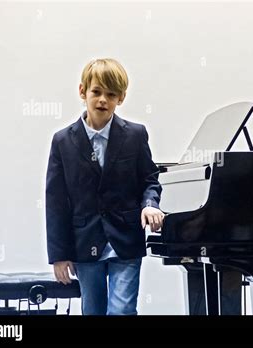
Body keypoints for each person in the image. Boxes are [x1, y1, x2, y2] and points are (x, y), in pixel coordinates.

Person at [46, 58, 164, 315]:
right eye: (96, 92)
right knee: (93, 312)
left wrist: (149, 205)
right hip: (84, 240)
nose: (102, 100)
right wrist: (59, 254)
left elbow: (149, 180)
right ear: (82, 92)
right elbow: (56, 201)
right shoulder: (62, 141)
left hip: (125, 239)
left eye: (111, 95)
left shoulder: (135, 134)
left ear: (121, 98)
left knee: (121, 311)